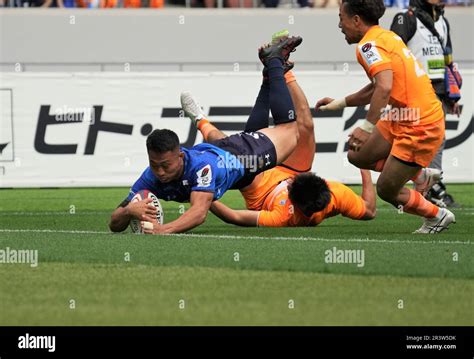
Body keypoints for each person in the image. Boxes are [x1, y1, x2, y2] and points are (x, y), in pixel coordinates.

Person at [109, 36, 303, 234]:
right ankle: (267, 78)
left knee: (290, 131)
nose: (159, 172)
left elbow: (199, 213)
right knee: (239, 138)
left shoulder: (201, 169)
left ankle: (275, 62)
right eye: (154, 164)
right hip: (219, 151)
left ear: (181, 156)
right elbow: (113, 224)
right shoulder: (150, 177)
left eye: (165, 165)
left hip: (242, 157)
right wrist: (127, 211)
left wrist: (164, 229)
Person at [315, 0, 455, 233]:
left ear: (356, 20)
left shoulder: (368, 46)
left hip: (421, 123)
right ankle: (420, 177)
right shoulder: (385, 37)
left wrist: (367, 127)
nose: (340, 25)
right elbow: (377, 87)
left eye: (341, 17)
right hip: (404, 115)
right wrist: (339, 103)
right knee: (357, 155)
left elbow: (384, 87)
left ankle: (437, 215)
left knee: (387, 190)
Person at [185, 63, 376, 227]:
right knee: (306, 126)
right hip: (291, 171)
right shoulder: (333, 195)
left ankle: (200, 120)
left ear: (294, 200)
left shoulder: (281, 217)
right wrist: (364, 166)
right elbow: (369, 210)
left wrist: (204, 194)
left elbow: (234, 216)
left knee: (229, 150)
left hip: (260, 189)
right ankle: (284, 70)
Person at [390, 0, 460, 208]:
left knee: (436, 141)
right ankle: (421, 187)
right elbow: (392, 55)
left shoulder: (443, 22)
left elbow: (447, 59)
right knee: (406, 141)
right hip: (412, 91)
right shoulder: (406, 19)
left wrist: (452, 94)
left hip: (436, 91)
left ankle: (431, 188)